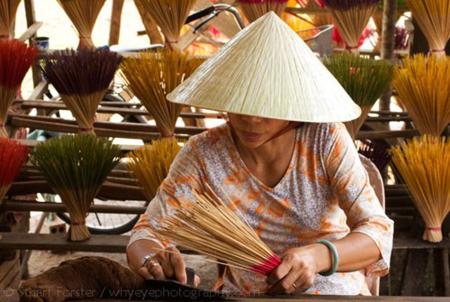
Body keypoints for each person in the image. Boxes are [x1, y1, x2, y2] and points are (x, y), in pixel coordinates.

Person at [127, 12, 394, 296]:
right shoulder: (203, 154)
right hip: (246, 296)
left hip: (332, 294)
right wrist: (154, 261)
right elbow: (145, 234)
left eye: (267, 105)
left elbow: (377, 233)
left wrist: (317, 257)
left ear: (294, 101)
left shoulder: (325, 139)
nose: (252, 119)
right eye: (242, 102)